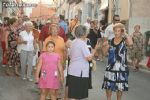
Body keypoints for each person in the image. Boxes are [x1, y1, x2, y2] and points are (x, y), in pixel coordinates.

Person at [102, 23, 133, 100]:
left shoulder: (124, 41)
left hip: (121, 69)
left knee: (120, 87)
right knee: (108, 86)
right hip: (110, 68)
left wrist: (125, 33)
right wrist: (104, 46)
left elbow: (131, 43)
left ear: (121, 31)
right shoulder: (109, 41)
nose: (116, 32)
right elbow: (104, 53)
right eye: (115, 31)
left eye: (118, 31)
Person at [67, 25, 98, 100]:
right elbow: (89, 58)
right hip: (79, 72)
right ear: (84, 33)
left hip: (72, 70)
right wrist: (94, 50)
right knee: (78, 95)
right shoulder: (82, 43)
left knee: (73, 94)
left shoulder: (73, 42)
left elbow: (70, 55)